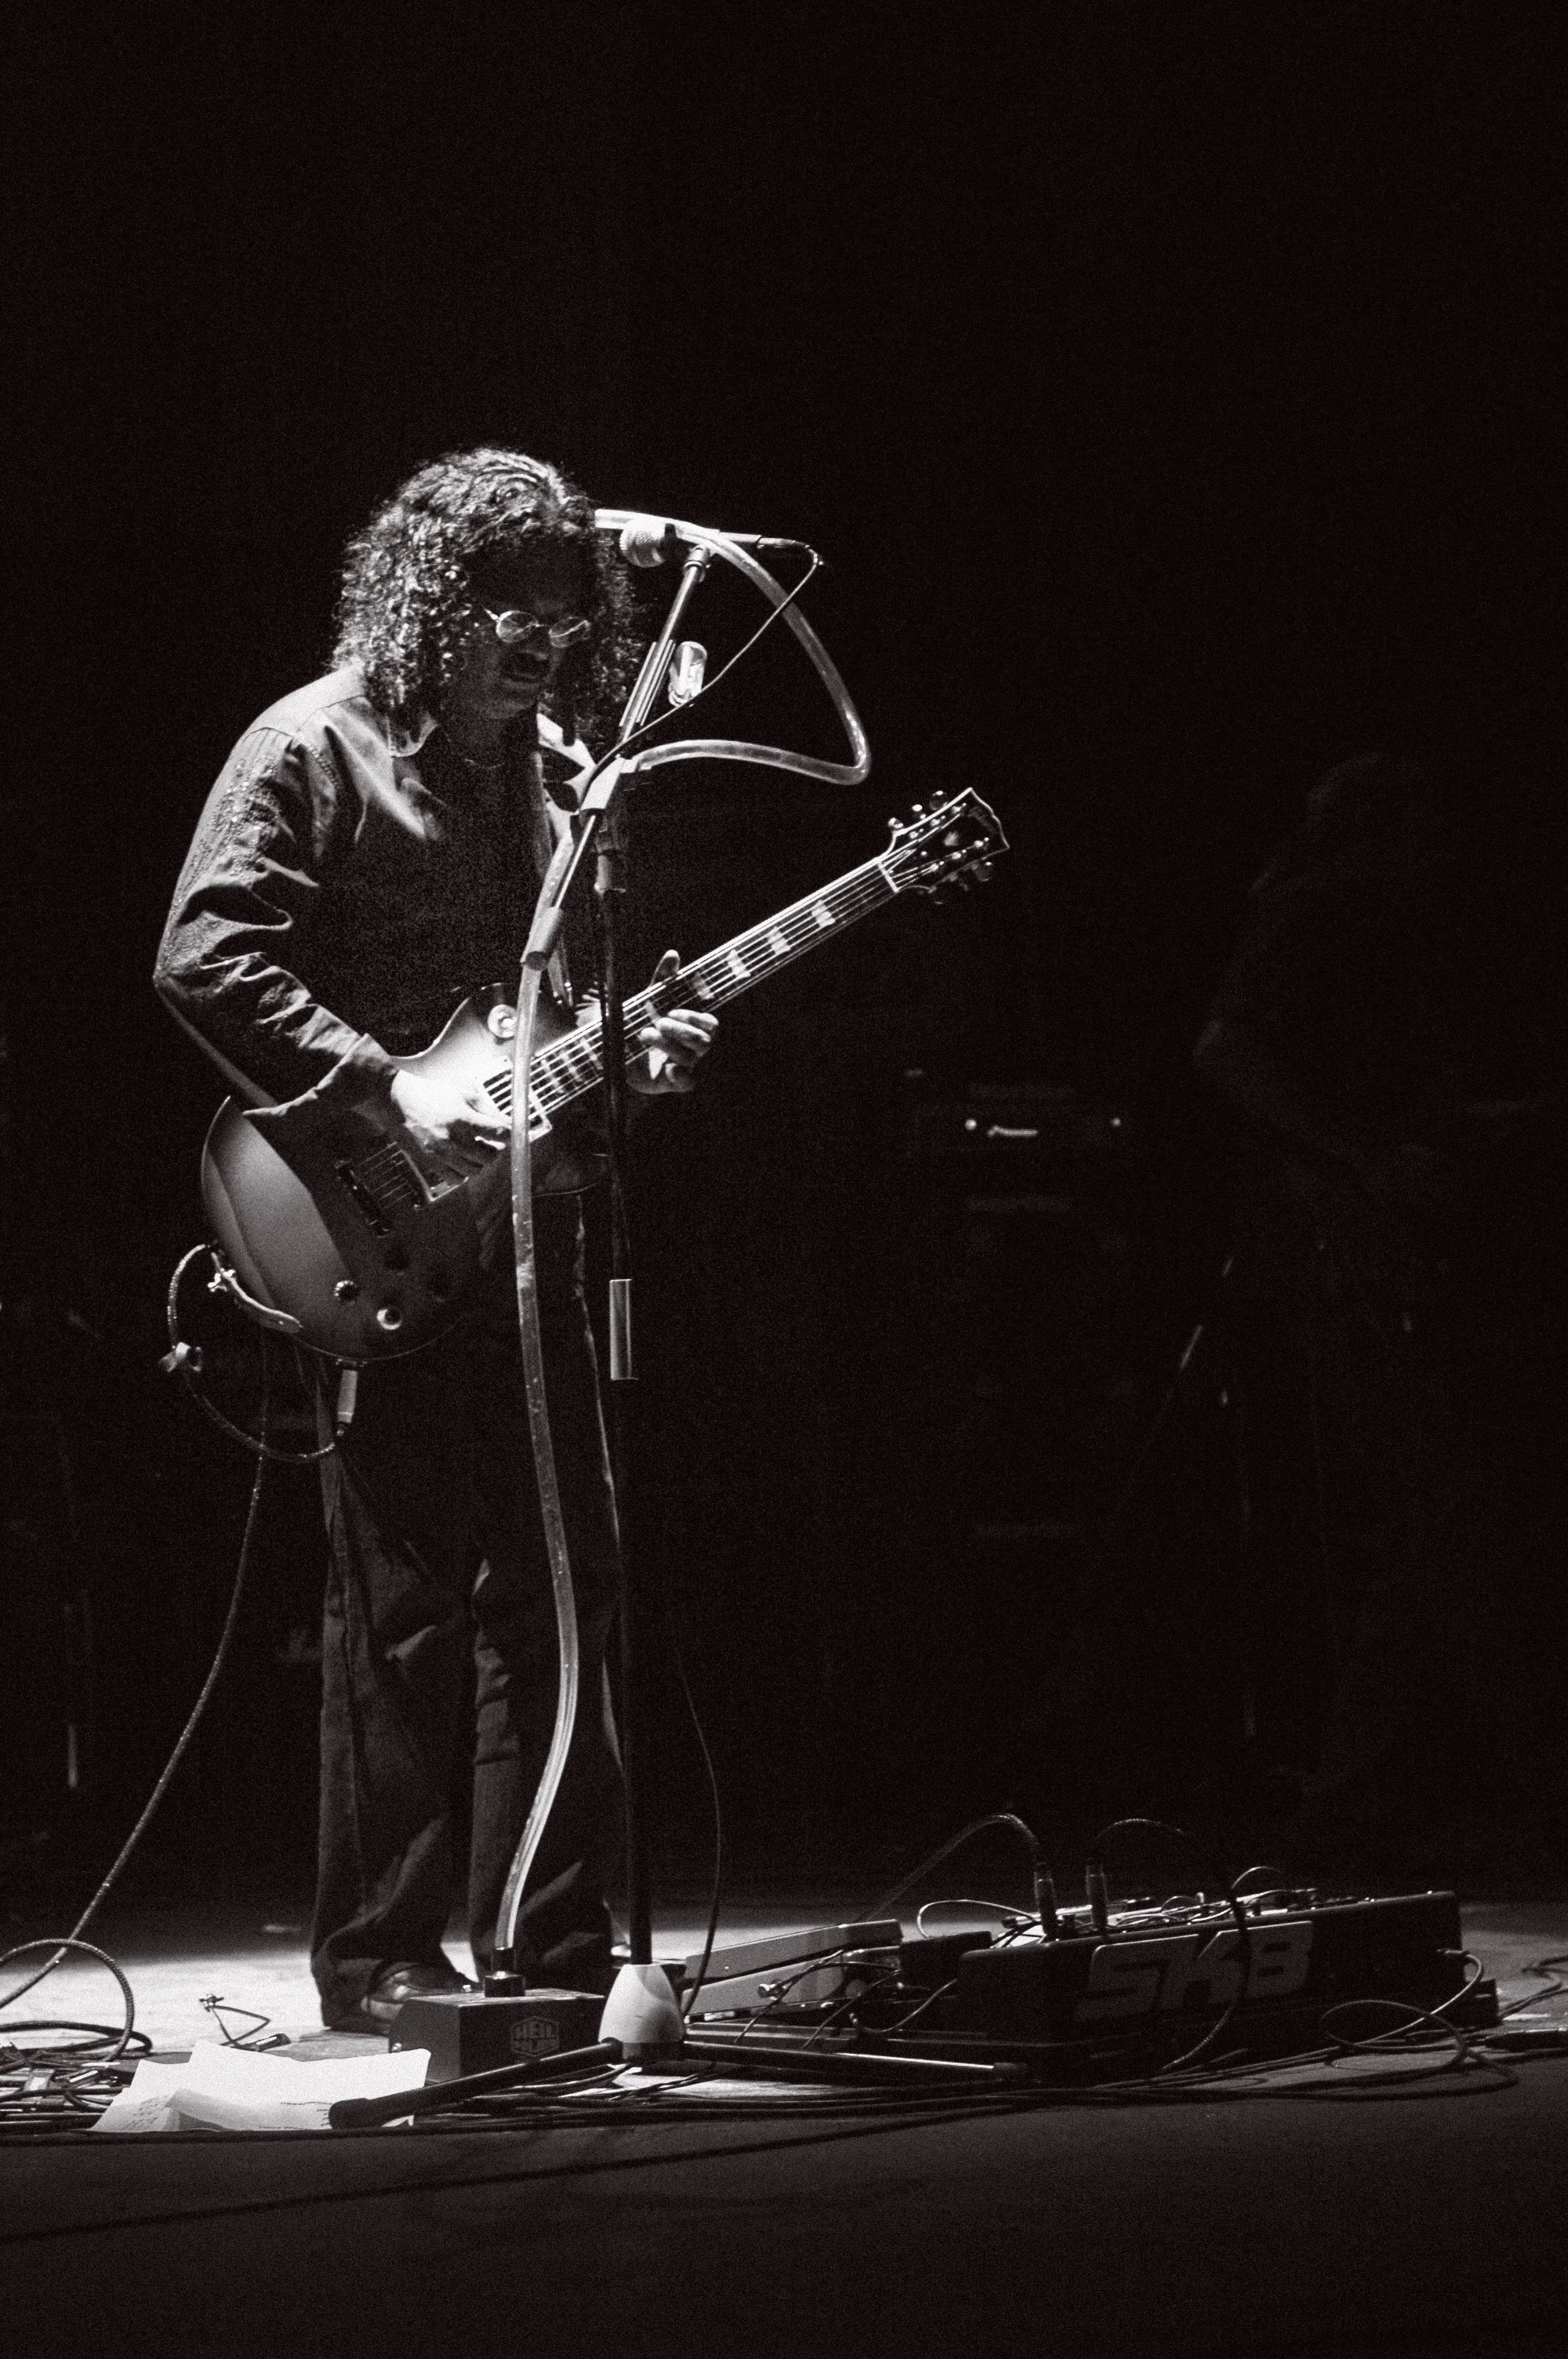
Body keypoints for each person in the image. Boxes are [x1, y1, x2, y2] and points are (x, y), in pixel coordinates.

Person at [154, 449, 717, 2027]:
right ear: (426, 595)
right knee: (404, 1600)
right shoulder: (313, 744)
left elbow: (556, 1011)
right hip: (359, 1217)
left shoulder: (561, 778)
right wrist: (377, 1092)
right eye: (506, 603)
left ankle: (553, 1939)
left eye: (563, 610)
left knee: (565, 1583)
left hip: (533, 1226)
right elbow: (205, 954)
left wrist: (632, 1056)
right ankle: (382, 1955)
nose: (540, 635)